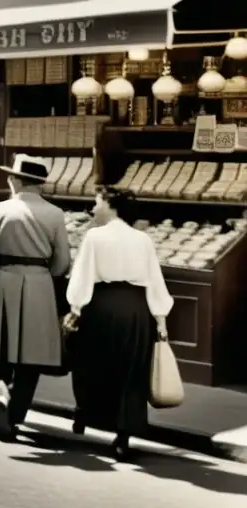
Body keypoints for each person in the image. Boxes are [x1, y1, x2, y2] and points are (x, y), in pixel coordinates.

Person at [64, 187, 173, 460]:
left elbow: (82, 275)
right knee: (131, 370)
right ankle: (123, 436)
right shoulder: (142, 240)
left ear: (111, 205)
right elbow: (154, 280)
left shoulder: (94, 236)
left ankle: (85, 412)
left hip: (101, 306)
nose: (93, 207)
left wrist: (75, 308)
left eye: (97, 201)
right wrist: (160, 319)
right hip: (136, 308)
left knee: (92, 362)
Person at [0, 154, 71, 442]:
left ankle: (1, 393)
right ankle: (15, 415)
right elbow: (62, 262)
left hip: (4, 281)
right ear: (39, 185)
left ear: (17, 181)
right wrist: (43, 272)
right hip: (39, 286)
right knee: (32, 359)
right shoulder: (55, 214)